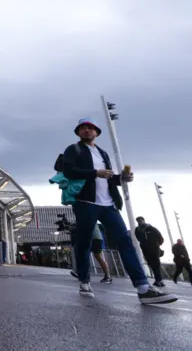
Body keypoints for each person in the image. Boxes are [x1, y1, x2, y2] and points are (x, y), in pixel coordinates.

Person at [62, 117, 176, 304]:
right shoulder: (73, 150)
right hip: (85, 203)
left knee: (125, 241)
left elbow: (107, 178)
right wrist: (94, 173)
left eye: (90, 128)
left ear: (97, 132)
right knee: (84, 243)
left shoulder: (103, 153)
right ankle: (84, 280)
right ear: (78, 133)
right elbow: (68, 172)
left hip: (108, 205)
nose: (86, 131)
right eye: (82, 128)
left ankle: (143, 287)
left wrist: (121, 178)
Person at [134, 217, 165, 287]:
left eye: (140, 221)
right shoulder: (137, 230)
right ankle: (158, 279)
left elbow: (161, 238)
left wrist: (156, 244)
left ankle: (159, 280)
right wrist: (144, 244)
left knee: (156, 264)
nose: (139, 222)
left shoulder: (152, 229)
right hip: (146, 250)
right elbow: (138, 238)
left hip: (154, 249)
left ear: (144, 220)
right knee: (151, 264)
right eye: (138, 221)